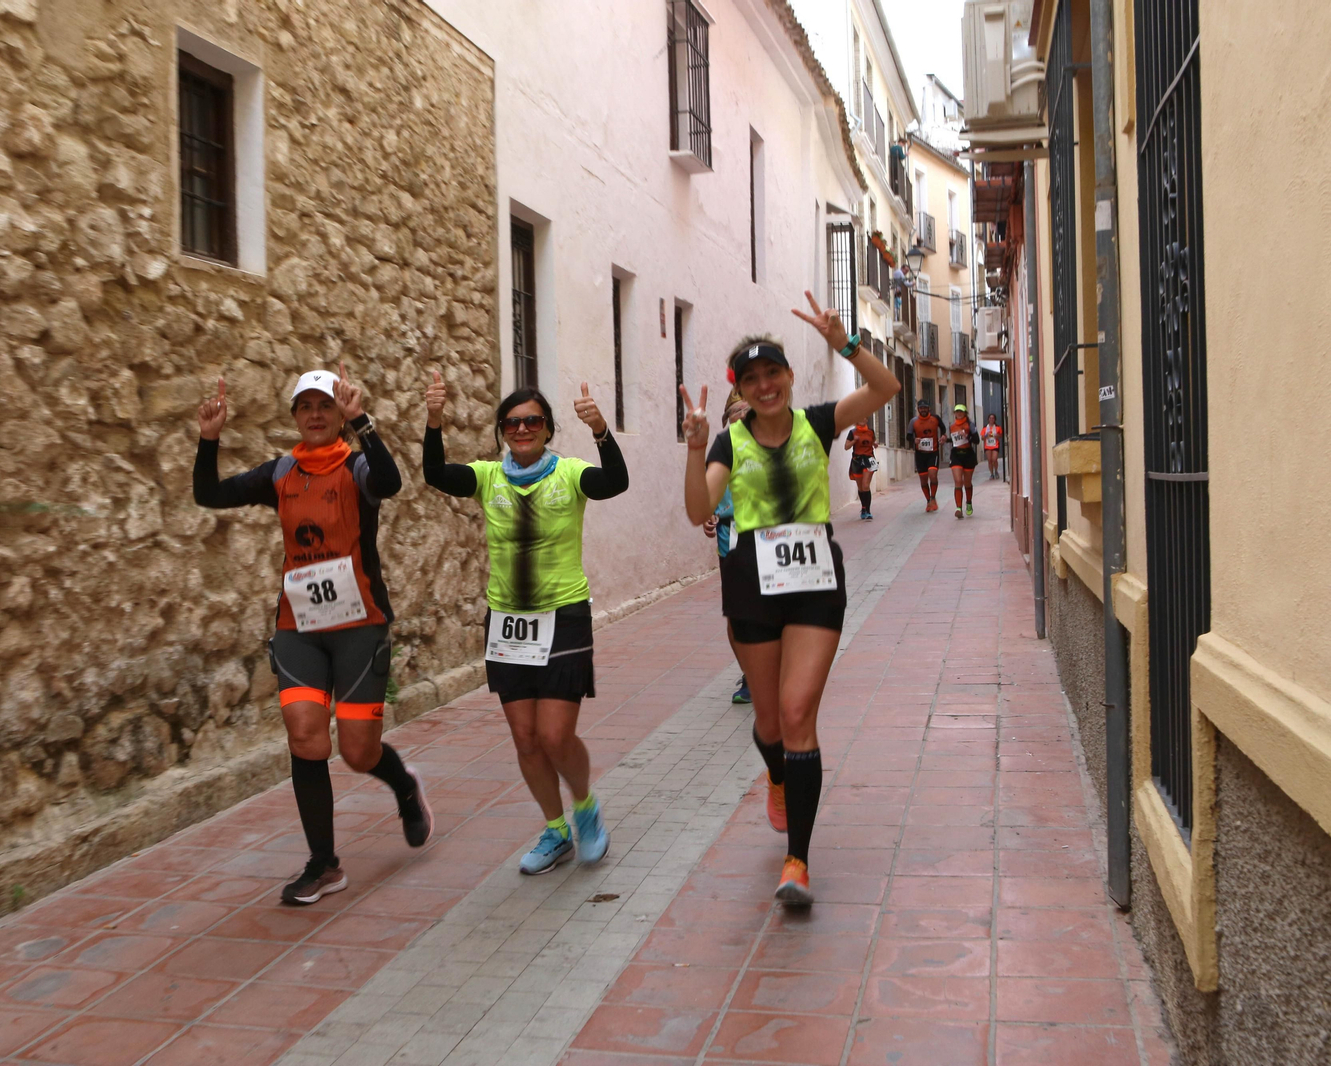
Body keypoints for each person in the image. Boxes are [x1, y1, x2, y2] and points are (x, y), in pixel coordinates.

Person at [680, 291, 899, 906]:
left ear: (788, 376)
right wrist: (696, 448)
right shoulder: (728, 442)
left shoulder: (819, 422)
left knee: (799, 716)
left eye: (773, 372)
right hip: (751, 588)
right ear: (741, 390)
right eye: (751, 379)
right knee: (770, 721)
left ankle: (797, 860)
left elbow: (886, 390)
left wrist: (844, 342)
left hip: (815, 588)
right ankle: (776, 772)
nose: (765, 385)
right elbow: (700, 509)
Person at [193, 367, 432, 906]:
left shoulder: (358, 465)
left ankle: (404, 786)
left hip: (360, 624)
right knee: (305, 736)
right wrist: (210, 441)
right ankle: (323, 864)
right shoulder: (281, 472)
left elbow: (391, 484)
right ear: (295, 417)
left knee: (356, 751)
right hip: (298, 626)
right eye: (305, 407)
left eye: (325, 405)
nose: (316, 414)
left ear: (339, 414)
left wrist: (364, 422)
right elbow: (209, 493)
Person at [423, 374, 629, 874]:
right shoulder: (488, 477)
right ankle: (555, 829)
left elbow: (615, 483)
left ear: (548, 429)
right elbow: (435, 474)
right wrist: (433, 420)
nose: (522, 429)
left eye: (532, 421)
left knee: (556, 736)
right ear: (501, 431)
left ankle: (585, 808)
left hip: (563, 616)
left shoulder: (571, 474)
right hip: (508, 622)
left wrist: (601, 429)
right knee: (525, 739)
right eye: (512, 422)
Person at [704, 393, 753, 704]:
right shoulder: (721, 448)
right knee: (737, 615)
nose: (742, 417)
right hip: (731, 540)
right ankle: (751, 674)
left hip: (773, 539)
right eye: (735, 413)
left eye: (748, 412)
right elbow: (710, 493)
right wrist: (710, 515)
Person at [908, 398, 947, 512]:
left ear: (929, 408)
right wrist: (914, 440)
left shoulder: (935, 418)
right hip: (920, 454)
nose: (923, 410)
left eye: (925, 408)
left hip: (933, 452)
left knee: (933, 474)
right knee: (923, 480)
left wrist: (944, 436)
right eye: (921, 408)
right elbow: (908, 436)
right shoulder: (913, 421)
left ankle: (933, 498)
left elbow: (943, 428)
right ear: (918, 409)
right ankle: (928, 501)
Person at [947, 403, 979, 518]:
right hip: (956, 455)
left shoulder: (970, 425)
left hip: (968, 455)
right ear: (954, 413)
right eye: (957, 411)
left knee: (967, 482)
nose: (959, 413)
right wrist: (945, 440)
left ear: (965, 413)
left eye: (961, 411)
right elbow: (954, 440)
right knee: (958, 481)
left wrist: (967, 436)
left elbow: (977, 440)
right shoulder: (952, 426)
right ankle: (958, 508)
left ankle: (969, 502)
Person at [843, 419, 877, 520]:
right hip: (857, 461)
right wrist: (854, 440)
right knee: (861, 487)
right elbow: (846, 447)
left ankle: (868, 511)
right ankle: (863, 508)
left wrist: (875, 444)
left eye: (864, 417)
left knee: (866, 485)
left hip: (869, 460)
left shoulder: (870, 431)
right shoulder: (852, 432)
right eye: (860, 417)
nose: (862, 419)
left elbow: (873, 441)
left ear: (866, 419)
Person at [982, 413, 1004, 480]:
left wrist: (997, 435)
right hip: (987, 446)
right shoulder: (985, 428)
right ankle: (991, 474)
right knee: (989, 460)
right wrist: (986, 435)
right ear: (988, 419)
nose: (991, 419)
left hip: (995, 445)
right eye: (990, 418)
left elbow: (1000, 435)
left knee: (994, 459)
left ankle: (996, 471)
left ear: (995, 419)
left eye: (993, 418)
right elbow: (982, 438)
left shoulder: (998, 427)